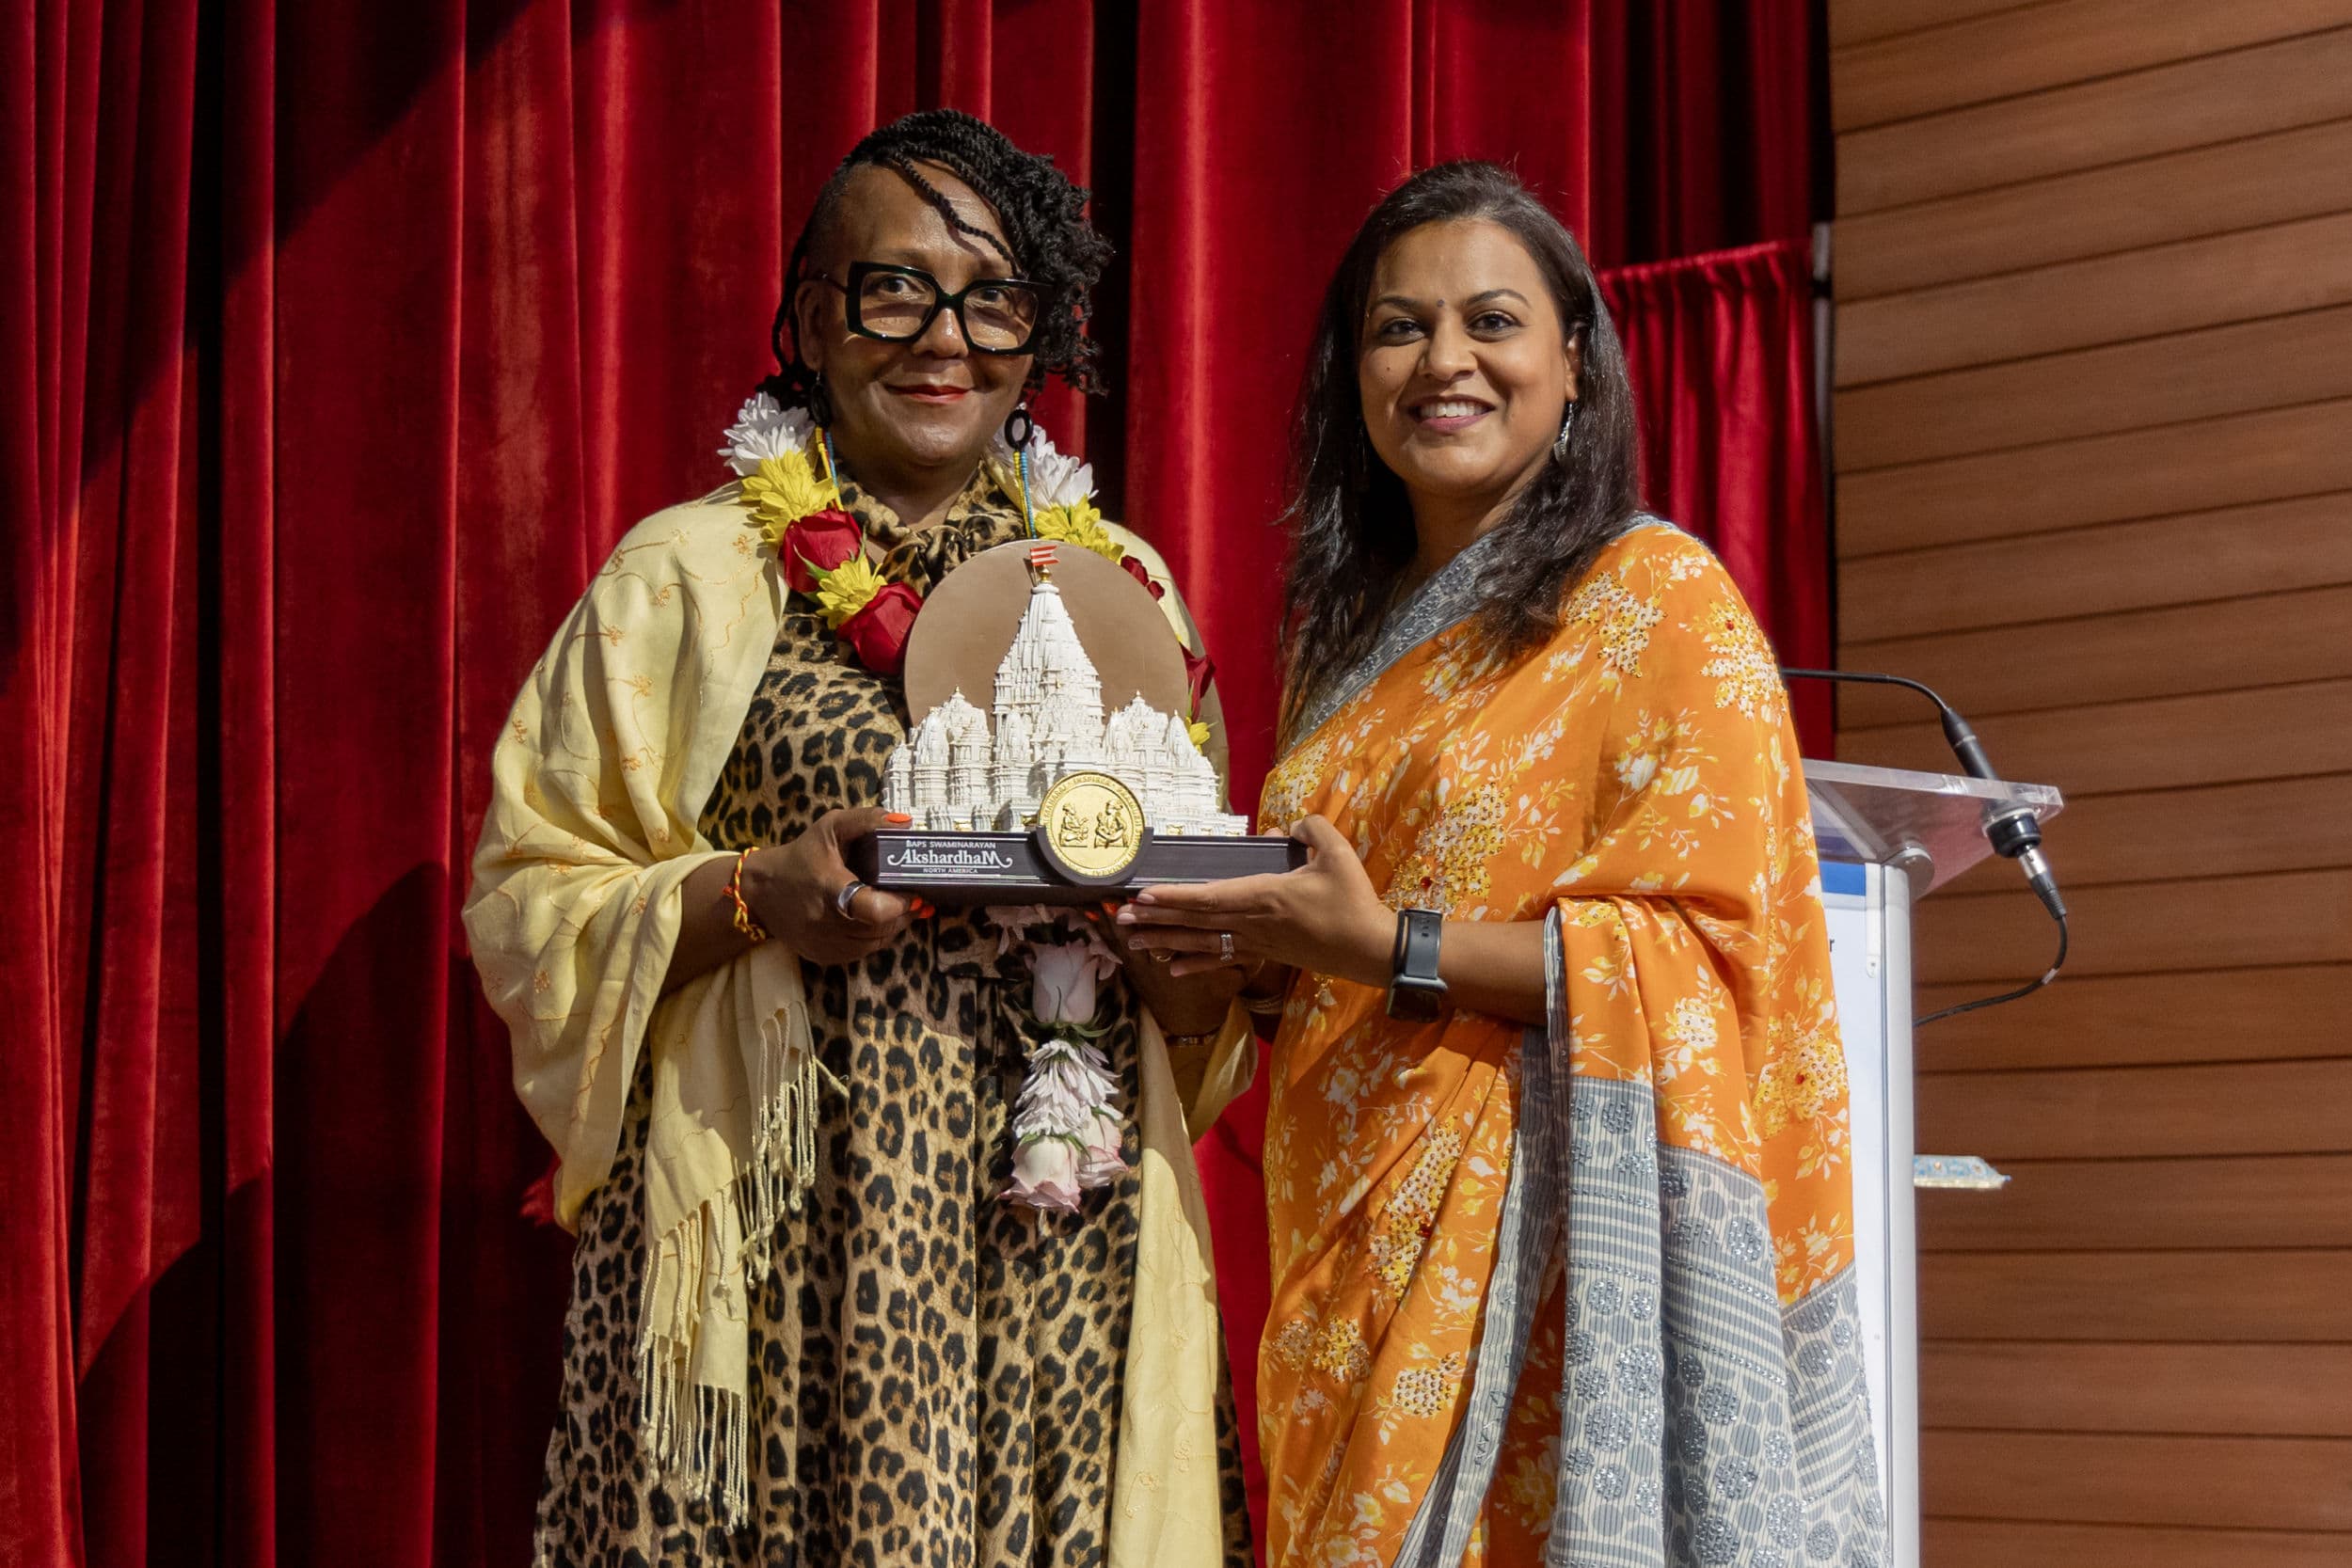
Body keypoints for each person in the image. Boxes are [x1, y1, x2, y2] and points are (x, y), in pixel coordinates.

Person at [466, 109, 1255, 1567]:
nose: (944, 337)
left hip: (1057, 1243)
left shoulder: (1115, 588)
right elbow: (532, 897)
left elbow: (1206, 980)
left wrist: (1193, 944)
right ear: (815, 320)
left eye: (995, 299)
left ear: (1040, 337)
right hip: (781, 1241)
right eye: (895, 289)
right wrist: (759, 893)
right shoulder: (687, 575)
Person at [1118, 162, 1886, 1567]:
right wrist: (1238, 964)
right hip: (1346, 1249)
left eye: (1492, 320)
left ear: (1576, 361)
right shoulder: (1347, 643)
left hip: (1541, 1278)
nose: (1445, 360)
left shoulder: (1656, 603)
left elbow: (1717, 966)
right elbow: (1329, 956)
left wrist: (1386, 948)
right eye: (1399, 327)